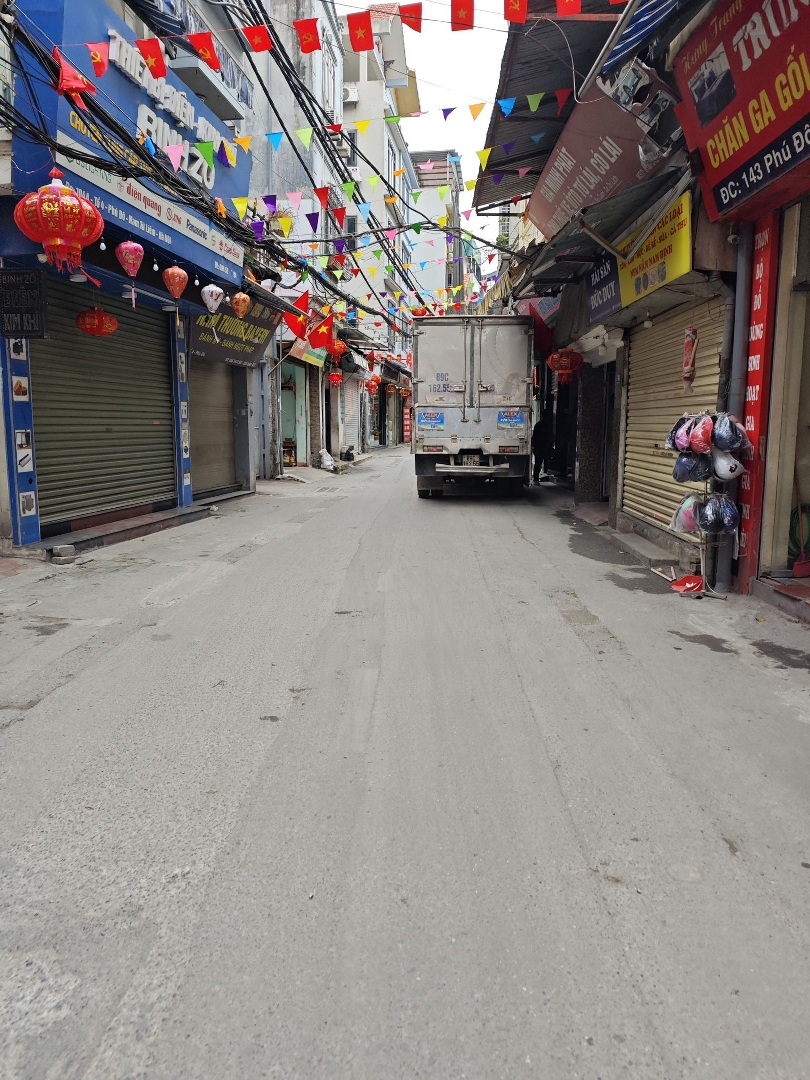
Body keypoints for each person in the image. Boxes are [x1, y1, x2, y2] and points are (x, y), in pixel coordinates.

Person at [532, 408, 554, 483]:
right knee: (539, 463)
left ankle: (536, 479)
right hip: (542, 446)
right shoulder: (546, 425)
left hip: (540, 447)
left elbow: (534, 437)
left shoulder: (539, 425)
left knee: (538, 463)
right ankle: (536, 478)